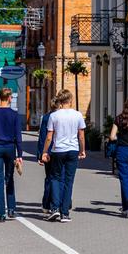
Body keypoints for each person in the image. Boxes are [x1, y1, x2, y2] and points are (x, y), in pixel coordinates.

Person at [41, 89, 86, 223]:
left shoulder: (54, 116)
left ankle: (54, 208)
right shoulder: (77, 115)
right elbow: (81, 135)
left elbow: (49, 136)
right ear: (70, 100)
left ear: (60, 101)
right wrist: (82, 150)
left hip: (58, 149)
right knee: (68, 181)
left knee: (55, 178)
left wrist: (44, 151)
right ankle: (65, 213)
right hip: (72, 150)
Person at [0, 88, 23, 222]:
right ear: (10, 98)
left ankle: (1, 213)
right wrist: (20, 154)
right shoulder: (14, 115)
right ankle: (11, 209)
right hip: (10, 148)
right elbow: (18, 136)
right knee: (10, 178)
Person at [37, 95, 60, 215]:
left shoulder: (46, 117)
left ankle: (46, 204)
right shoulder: (62, 116)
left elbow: (42, 137)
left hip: (49, 151)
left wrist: (40, 154)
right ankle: (57, 203)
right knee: (59, 178)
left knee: (49, 178)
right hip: (60, 151)